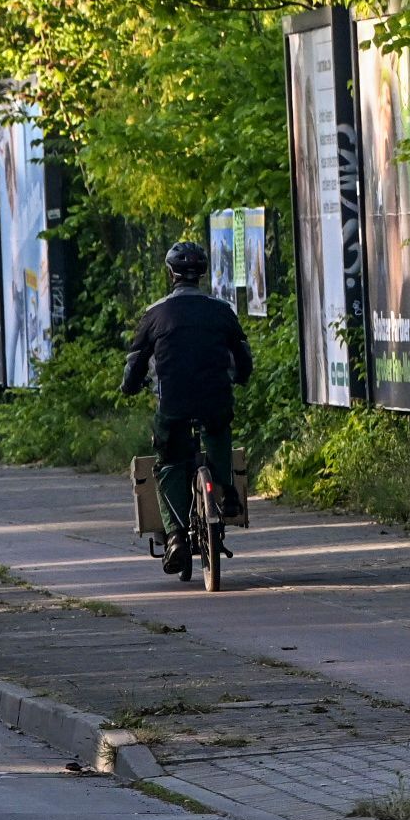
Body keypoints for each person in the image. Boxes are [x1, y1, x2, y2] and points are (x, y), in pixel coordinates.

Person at [123, 240, 254, 575]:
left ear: (170, 274)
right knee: (218, 430)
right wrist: (240, 377)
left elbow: (135, 362)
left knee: (168, 461)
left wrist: (130, 386)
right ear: (202, 275)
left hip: (173, 404)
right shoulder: (222, 311)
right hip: (215, 398)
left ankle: (176, 536)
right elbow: (243, 357)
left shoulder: (155, 314)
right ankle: (226, 493)